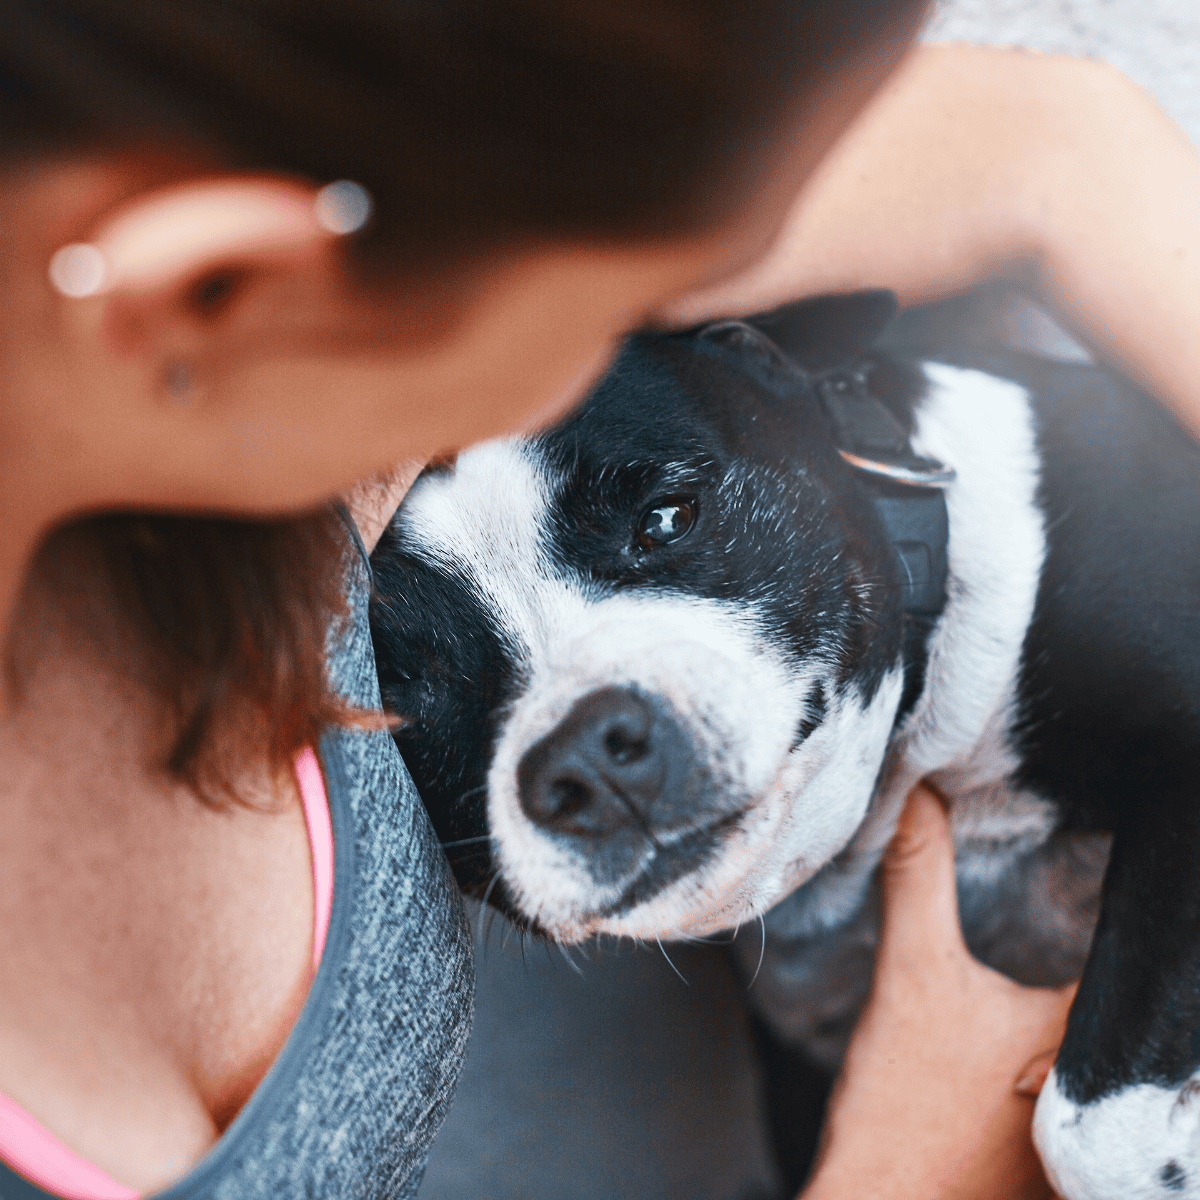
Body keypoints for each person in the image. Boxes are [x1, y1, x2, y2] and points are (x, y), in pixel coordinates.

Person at [0, 0, 1198, 1196]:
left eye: (662, 516)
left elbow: (1036, 149)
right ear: (217, 289)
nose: (591, 357)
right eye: (598, 322)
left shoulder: (312, 376)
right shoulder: (351, 354)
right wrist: (907, 1169)